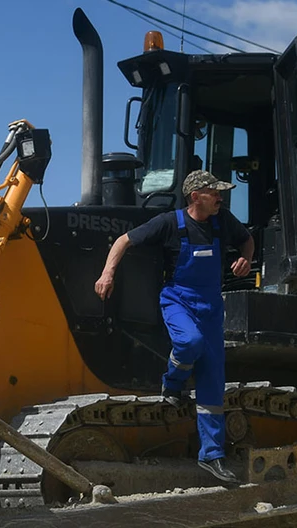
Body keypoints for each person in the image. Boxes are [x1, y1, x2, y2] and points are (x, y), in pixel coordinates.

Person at [94, 170, 254, 484]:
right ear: (196, 197)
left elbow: (246, 240)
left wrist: (246, 259)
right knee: (189, 343)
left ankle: (212, 456)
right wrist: (107, 274)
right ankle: (172, 381)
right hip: (178, 300)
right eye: (215, 192)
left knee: (212, 383)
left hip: (211, 306)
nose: (221, 197)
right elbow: (123, 241)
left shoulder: (223, 221)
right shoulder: (169, 223)